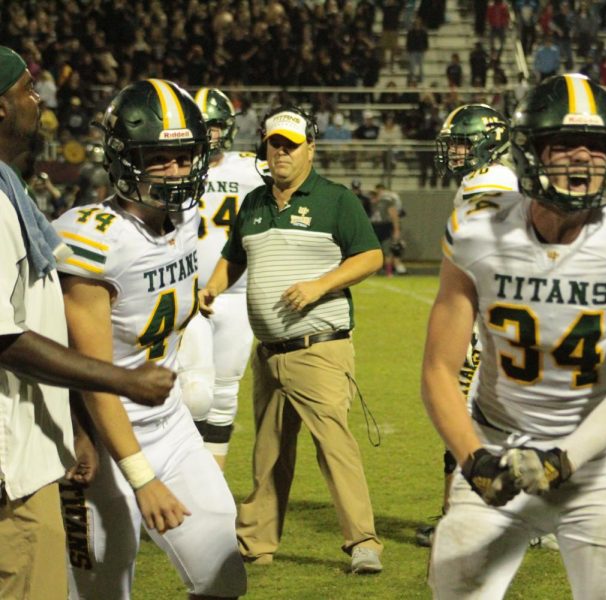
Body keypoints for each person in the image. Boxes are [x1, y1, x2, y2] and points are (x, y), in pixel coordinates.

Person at [422, 73, 606, 599]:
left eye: (597, 146)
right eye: (565, 144)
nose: (583, 158)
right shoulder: (478, 232)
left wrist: (564, 459)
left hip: (595, 463)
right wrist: (474, 460)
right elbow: (439, 371)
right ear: (530, 151)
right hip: (495, 443)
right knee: (454, 585)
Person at [54, 79, 247, 599]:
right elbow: (90, 375)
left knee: (223, 572)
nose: (175, 171)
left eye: (183, 157)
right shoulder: (92, 240)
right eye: (156, 157)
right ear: (122, 159)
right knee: (100, 586)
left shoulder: (184, 217)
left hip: (170, 423)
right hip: (96, 438)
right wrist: (141, 477)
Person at [0, 47, 175, 600]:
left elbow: (36, 317)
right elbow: (3, 336)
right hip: (9, 463)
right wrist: (123, 381)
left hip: (27, 444)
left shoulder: (11, 188)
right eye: (27, 90)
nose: (39, 102)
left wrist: (72, 422)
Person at [198, 106, 385, 574]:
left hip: (318, 347)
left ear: (310, 150)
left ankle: (363, 542)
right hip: (270, 353)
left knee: (334, 447)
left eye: (290, 145)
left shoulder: (335, 200)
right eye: (273, 144)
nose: (280, 152)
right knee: (269, 452)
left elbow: (371, 256)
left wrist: (321, 285)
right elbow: (233, 256)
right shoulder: (256, 203)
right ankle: (255, 543)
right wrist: (214, 286)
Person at [416, 103, 517, 548]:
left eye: (462, 142)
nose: (455, 152)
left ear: (488, 142)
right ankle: (461, 513)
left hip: (485, 316)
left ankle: (478, 517)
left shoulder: (490, 183)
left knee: (466, 415)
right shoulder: (487, 181)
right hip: (488, 314)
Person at [177, 88, 260, 470]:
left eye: (215, 127)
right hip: (188, 294)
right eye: (203, 126)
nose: (209, 135)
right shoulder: (172, 166)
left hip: (238, 294)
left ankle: (211, 486)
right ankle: (182, 473)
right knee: (194, 395)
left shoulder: (250, 168)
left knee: (226, 393)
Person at [371, 183, 407, 275]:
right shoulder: (369, 203)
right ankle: (373, 272)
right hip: (373, 227)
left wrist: (396, 230)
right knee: (373, 252)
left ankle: (389, 272)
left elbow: (394, 215)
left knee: (388, 251)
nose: (374, 197)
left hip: (385, 227)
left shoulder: (387, 201)